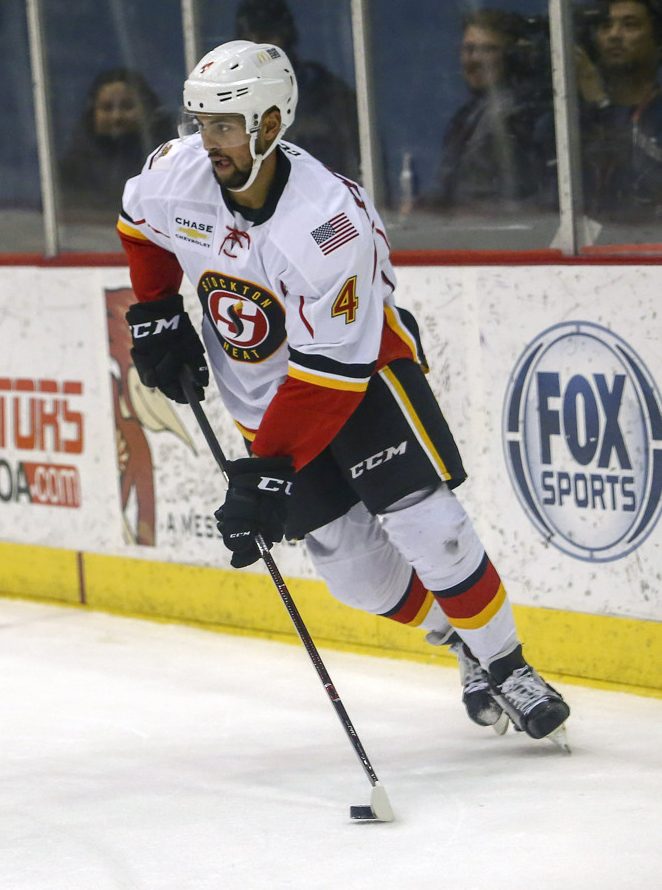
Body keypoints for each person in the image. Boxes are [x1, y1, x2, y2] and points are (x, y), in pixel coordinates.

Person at [117, 40, 570, 745]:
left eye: (225, 125)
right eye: (201, 123)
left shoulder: (327, 223)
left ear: (270, 124)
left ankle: (509, 666)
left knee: (430, 527)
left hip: (359, 378)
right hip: (261, 396)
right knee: (359, 576)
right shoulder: (178, 174)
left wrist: (264, 472)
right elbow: (140, 225)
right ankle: (462, 640)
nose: (208, 142)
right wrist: (157, 311)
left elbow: (330, 373)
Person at [428, 9, 546, 213]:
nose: (474, 59)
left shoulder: (524, 117)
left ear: (512, 57)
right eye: (468, 49)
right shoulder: (465, 117)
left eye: (488, 49)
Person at [234, 0, 361, 181]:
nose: (257, 49)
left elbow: (365, 159)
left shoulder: (329, 93)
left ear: (287, 35)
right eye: (248, 41)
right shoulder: (231, 100)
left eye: (265, 36)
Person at [573, 0, 662, 220]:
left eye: (630, 25)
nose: (614, 35)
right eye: (605, 26)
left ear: (657, 40)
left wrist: (601, 104)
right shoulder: (569, 111)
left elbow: (646, 185)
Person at [59, 68, 174, 222]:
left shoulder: (167, 158)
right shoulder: (73, 166)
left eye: (127, 106)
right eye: (107, 108)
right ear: (92, 113)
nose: (116, 117)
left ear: (147, 109)